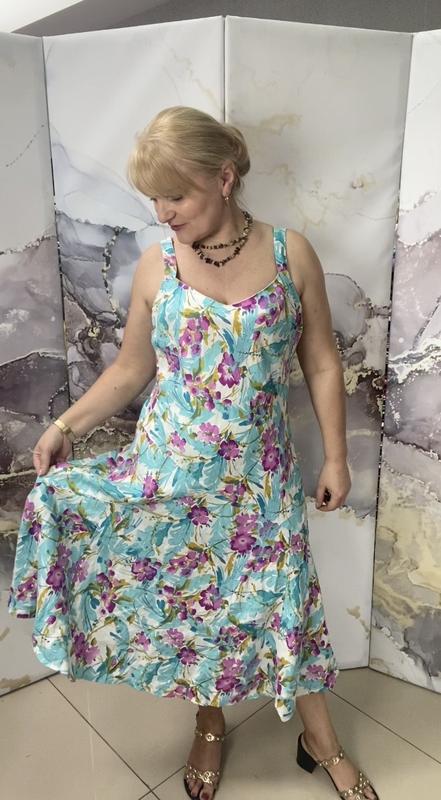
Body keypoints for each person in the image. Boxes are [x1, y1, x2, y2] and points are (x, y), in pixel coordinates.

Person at [8, 106, 378, 800]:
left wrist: (336, 458)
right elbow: (129, 370)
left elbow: (322, 362)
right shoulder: (157, 265)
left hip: (260, 478)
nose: (162, 213)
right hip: (169, 472)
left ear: (224, 178)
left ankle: (319, 739)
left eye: (175, 195)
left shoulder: (290, 255)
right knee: (195, 606)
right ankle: (209, 722)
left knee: (286, 601)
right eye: (154, 198)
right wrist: (66, 426)